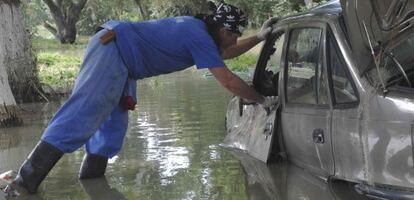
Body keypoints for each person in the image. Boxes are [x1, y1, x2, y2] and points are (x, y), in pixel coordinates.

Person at [5, 2, 278, 195]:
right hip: (112, 49)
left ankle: (92, 182)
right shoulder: (198, 34)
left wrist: (260, 37)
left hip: (124, 62)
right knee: (82, 115)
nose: (234, 40)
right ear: (224, 30)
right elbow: (228, 80)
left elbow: (224, 54)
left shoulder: (203, 35)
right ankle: (23, 183)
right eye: (235, 35)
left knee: (112, 127)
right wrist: (258, 100)